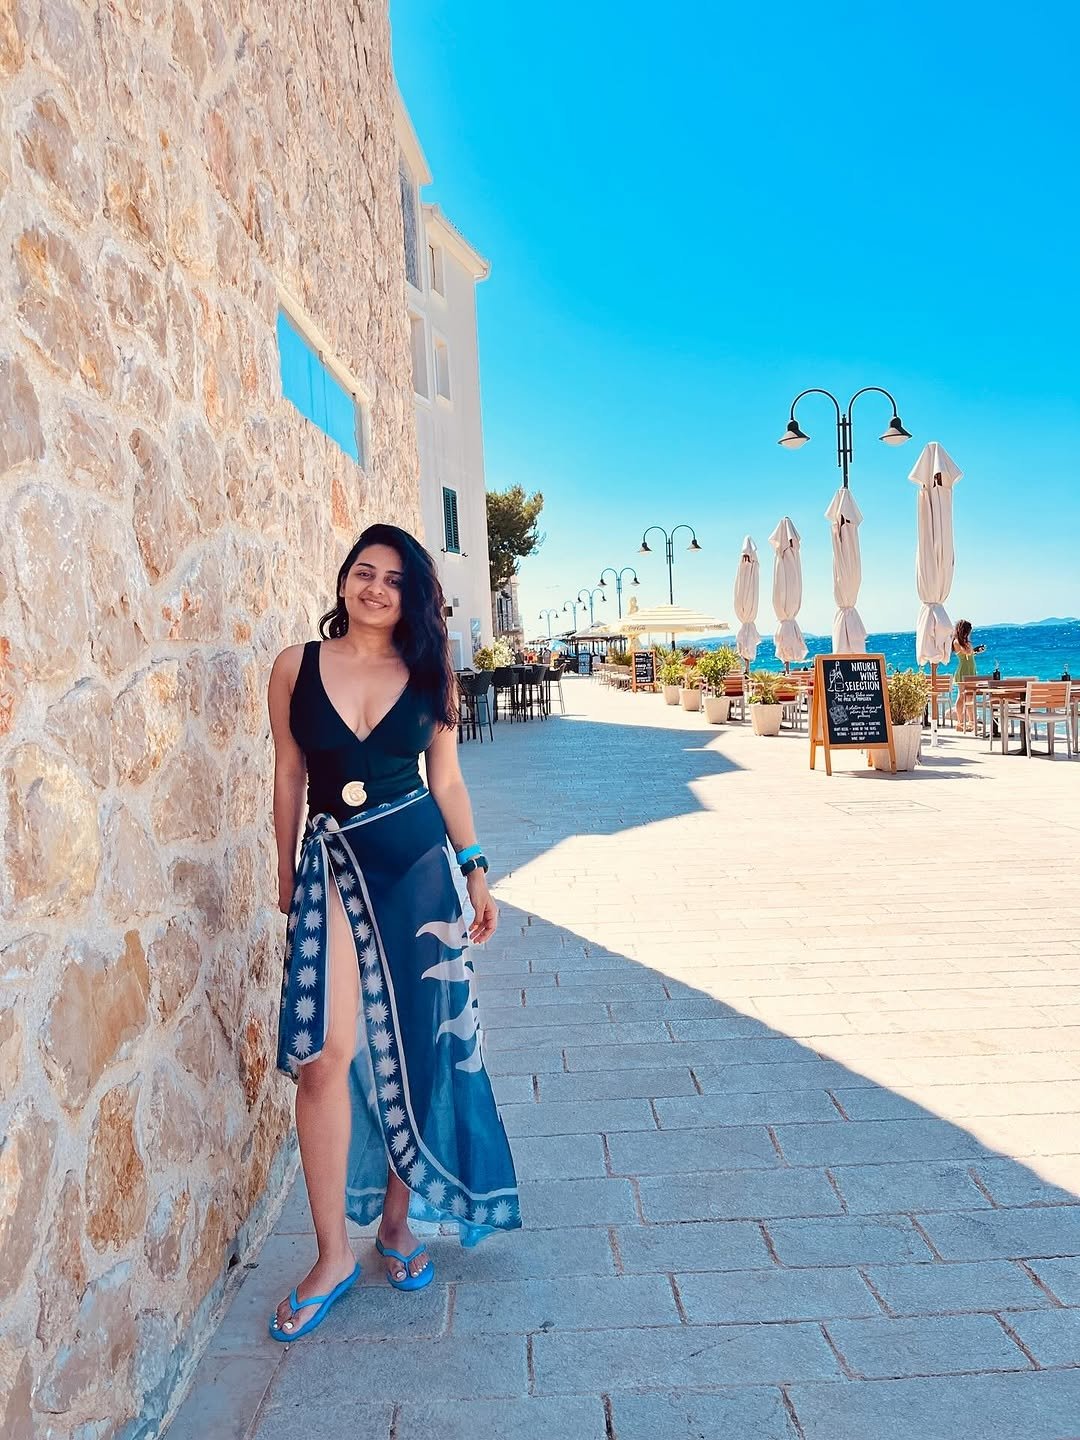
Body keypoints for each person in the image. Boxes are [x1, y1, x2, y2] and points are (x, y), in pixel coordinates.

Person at [266, 524, 519, 1342]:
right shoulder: (295, 666)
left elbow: (446, 780)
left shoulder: (430, 673)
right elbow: (288, 772)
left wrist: (475, 868)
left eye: (394, 579)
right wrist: (283, 868)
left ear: (412, 597)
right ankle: (332, 1254)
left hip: (417, 870)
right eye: (364, 572)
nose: (375, 587)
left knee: (416, 1051)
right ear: (344, 579)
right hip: (333, 863)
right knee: (325, 1055)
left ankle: (397, 1225)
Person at [951, 619, 986, 732]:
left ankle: (971, 722)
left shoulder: (965, 642)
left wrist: (976, 651)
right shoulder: (957, 642)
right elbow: (966, 652)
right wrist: (971, 648)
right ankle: (960, 723)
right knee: (962, 696)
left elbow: (970, 653)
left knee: (970, 697)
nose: (969, 633)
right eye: (968, 631)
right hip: (963, 671)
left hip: (971, 671)